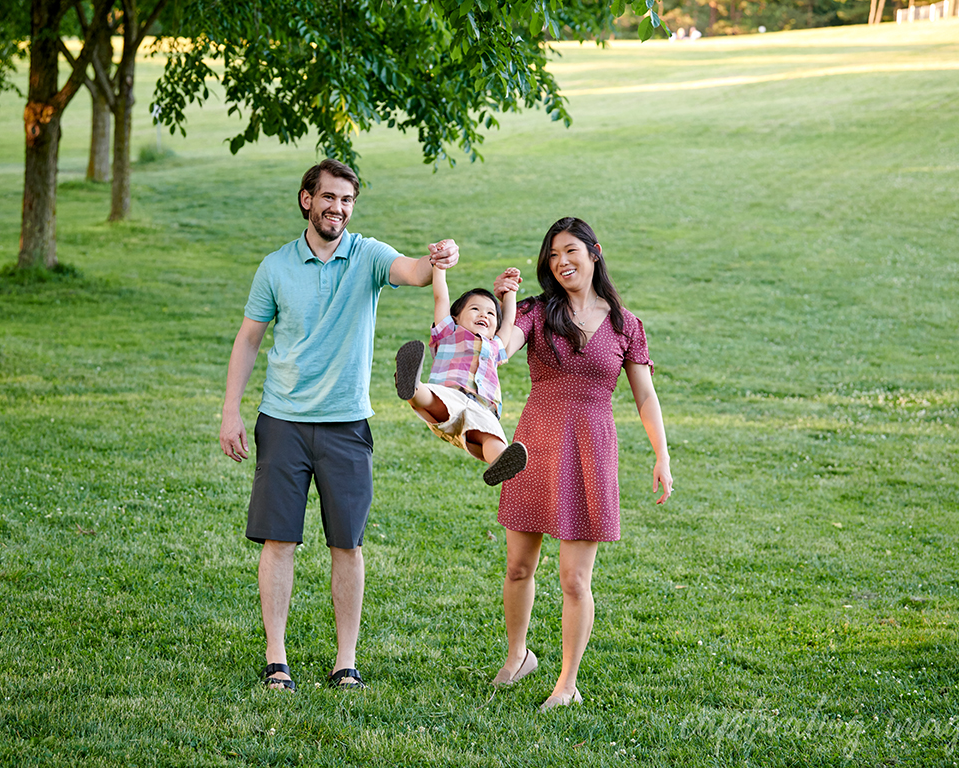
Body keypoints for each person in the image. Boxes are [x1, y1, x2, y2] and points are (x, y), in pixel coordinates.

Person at [218, 158, 459, 692]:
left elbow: (413, 271)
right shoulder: (275, 267)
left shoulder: (368, 255)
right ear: (307, 199)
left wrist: (439, 260)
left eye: (347, 200)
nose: (338, 208)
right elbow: (249, 338)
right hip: (282, 419)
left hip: (347, 424)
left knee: (346, 544)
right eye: (329, 197)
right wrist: (231, 409)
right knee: (278, 542)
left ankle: (344, 661)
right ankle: (276, 658)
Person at [489, 217, 673, 711]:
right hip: (534, 445)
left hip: (591, 449)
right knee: (517, 567)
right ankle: (518, 656)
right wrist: (506, 301)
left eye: (570, 251)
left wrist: (662, 454)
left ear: (594, 253)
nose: (561, 262)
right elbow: (502, 350)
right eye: (552, 255)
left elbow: (645, 397)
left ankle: (567, 683)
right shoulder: (535, 311)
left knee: (574, 579)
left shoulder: (624, 324)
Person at [394, 265, 528, 486]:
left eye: (491, 313)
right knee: (434, 396)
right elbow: (441, 296)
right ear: (455, 317)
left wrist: (511, 290)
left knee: (492, 434)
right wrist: (439, 268)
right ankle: (411, 386)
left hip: (483, 408)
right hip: (450, 394)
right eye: (475, 309)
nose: (483, 314)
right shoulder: (448, 331)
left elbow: (510, 322)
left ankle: (500, 462)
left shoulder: (496, 346)